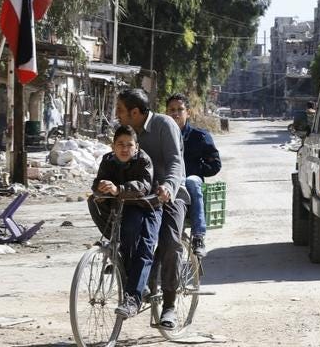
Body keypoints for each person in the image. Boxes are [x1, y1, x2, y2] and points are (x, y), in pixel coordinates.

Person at [88, 89, 185, 330]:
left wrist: (169, 187)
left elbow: (175, 161)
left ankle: (170, 305)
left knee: (169, 242)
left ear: (134, 112)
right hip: (134, 197)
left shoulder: (164, 124)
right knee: (126, 230)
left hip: (166, 195)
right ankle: (132, 275)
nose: (117, 115)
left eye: (120, 110)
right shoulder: (126, 135)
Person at [90, 125, 160, 318]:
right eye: (120, 144)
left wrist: (119, 189)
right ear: (113, 146)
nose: (124, 148)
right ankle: (135, 280)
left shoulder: (144, 160)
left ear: (136, 147)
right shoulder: (108, 160)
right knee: (94, 201)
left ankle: (133, 299)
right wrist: (100, 190)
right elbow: (98, 182)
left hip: (148, 206)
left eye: (129, 145)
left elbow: (144, 187)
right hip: (124, 207)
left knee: (144, 247)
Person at [165, 93, 221, 257]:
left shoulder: (200, 136)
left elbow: (215, 165)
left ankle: (198, 236)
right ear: (166, 112)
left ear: (187, 112)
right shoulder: (162, 135)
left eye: (180, 109)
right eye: (171, 110)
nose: (175, 113)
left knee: (191, 181)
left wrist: (197, 169)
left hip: (190, 183)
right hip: (169, 184)